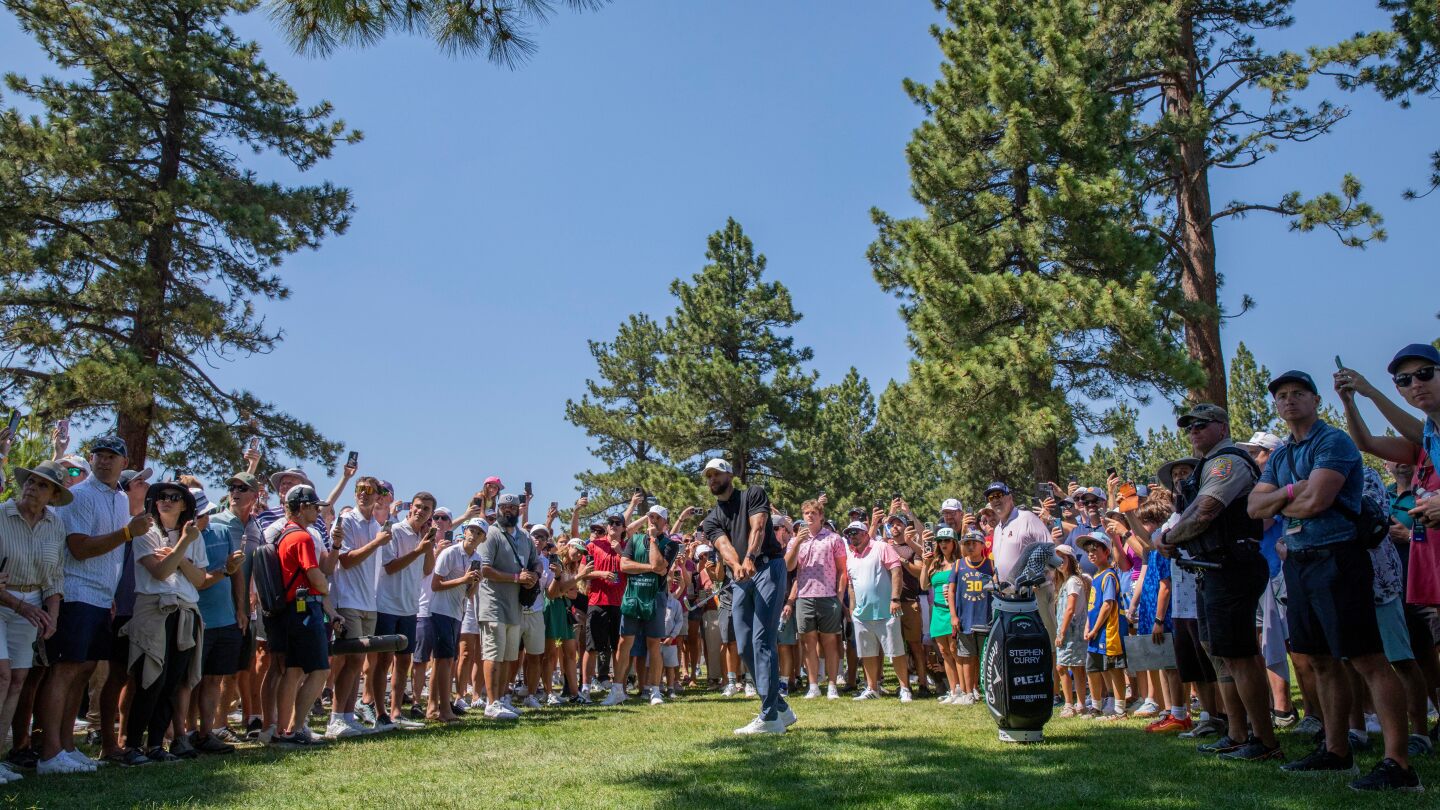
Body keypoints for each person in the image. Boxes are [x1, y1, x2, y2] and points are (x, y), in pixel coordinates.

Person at [1249, 370, 1418, 790]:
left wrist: (1288, 500)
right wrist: (1291, 494)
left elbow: (1319, 499)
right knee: (1319, 660)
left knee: (1366, 660)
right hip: (1299, 562)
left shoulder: (1333, 442)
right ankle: (1336, 750)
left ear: (1315, 400)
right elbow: (1255, 508)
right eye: (1282, 396)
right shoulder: (1285, 454)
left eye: (1298, 394)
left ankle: (1398, 763)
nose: (1289, 401)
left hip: (1338, 558)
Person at [1145, 404, 1280, 762]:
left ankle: (1263, 739)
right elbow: (1191, 512)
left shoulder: (1227, 462)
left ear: (1222, 427)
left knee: (1240, 656)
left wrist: (1170, 539)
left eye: (1201, 425)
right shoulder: (1207, 467)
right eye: (1189, 427)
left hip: (1231, 566)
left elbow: (1205, 510)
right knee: (1220, 654)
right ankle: (1237, 733)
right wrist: (1173, 534)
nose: (1193, 432)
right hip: (1211, 568)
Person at [39, 436, 150, 774]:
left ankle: (67, 747)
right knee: (65, 669)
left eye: (111, 456)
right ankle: (49, 753)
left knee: (85, 670)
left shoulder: (119, 498)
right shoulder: (81, 496)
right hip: (75, 592)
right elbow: (79, 548)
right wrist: (127, 534)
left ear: (123, 461)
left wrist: (113, 594)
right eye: (98, 456)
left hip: (102, 597)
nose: (104, 461)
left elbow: (112, 556)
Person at [121, 482, 223, 762]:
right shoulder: (145, 529)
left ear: (184, 505)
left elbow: (200, 579)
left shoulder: (194, 536)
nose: (166, 501)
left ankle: (155, 745)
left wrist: (179, 556)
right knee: (150, 680)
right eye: (161, 497)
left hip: (186, 610)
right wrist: (183, 547)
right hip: (153, 609)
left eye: (174, 497)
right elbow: (160, 571)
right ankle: (131, 746)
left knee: (173, 682)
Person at [698, 459, 795, 735]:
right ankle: (780, 708)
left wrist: (750, 556)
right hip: (741, 576)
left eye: (716, 474)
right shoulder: (711, 518)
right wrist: (737, 565)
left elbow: (759, 527)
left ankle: (769, 717)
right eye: (708, 476)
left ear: (729, 474)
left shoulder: (753, 493)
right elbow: (723, 544)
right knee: (744, 645)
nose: (712, 479)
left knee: (762, 639)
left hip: (768, 566)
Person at [0, 461, 67, 784]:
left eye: (42, 485)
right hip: (3, 603)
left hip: (34, 604)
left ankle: (0, 756)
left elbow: (55, 576)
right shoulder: (1, 515)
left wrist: (52, 614)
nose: (32, 487)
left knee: (17, 679)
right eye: (31, 481)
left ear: (53, 495)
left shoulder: (54, 525)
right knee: (2, 675)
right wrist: (19, 606)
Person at [272, 485, 338, 746]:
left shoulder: (286, 534)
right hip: (305, 610)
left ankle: (284, 727)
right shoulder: (301, 537)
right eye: (313, 507)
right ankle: (297, 727)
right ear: (301, 508)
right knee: (320, 670)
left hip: (294, 610)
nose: (317, 512)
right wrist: (324, 588)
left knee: (294, 670)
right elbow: (316, 577)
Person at [328, 476, 389, 738]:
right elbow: (347, 560)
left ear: (378, 496)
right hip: (349, 599)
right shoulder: (348, 520)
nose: (363, 494)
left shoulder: (375, 524)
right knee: (349, 661)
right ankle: (335, 718)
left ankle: (348, 716)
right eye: (359, 490)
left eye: (369, 491)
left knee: (359, 662)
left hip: (368, 601)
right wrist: (376, 542)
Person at [605, 504, 681, 706]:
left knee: (653, 645)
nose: (652, 520)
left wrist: (654, 540)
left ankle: (655, 690)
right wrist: (650, 568)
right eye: (650, 516)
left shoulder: (670, 544)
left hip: (655, 598)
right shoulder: (634, 539)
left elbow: (660, 566)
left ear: (665, 522)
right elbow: (624, 565)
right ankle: (617, 689)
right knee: (624, 643)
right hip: (632, 597)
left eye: (657, 517)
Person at [373, 492, 437, 730]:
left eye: (426, 509)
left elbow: (428, 569)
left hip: (410, 607)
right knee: (383, 661)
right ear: (410, 508)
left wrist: (428, 546)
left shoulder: (422, 538)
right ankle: (380, 713)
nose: (421, 511)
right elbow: (390, 567)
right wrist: (419, 550)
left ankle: (396, 711)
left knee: (403, 662)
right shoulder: (396, 531)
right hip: (388, 605)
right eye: (418, 507)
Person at [192, 486, 249, 754]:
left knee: (214, 678)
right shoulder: (186, 538)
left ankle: (207, 732)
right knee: (190, 681)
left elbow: (236, 572)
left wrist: (241, 608)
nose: (203, 517)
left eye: (203, 512)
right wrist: (224, 570)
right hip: (196, 618)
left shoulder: (221, 531)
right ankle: (186, 733)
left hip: (225, 618)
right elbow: (201, 581)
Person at [475, 493, 539, 720]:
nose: (509, 510)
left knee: (507, 656)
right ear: (498, 509)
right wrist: (515, 577)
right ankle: (491, 703)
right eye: (504, 507)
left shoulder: (524, 537)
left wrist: (534, 575)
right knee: (493, 653)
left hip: (515, 606)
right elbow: (484, 569)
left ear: (519, 511)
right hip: (493, 603)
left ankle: (501, 699)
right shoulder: (491, 534)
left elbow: (536, 562)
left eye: (513, 507)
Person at [841, 519, 908, 702]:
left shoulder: (880, 547)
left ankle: (905, 688)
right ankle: (872, 688)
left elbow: (896, 571)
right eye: (849, 533)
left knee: (896, 651)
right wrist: (853, 610)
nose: (852, 536)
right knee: (867, 653)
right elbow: (852, 586)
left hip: (887, 610)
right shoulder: (851, 556)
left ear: (865, 533)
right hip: (862, 614)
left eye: (855, 532)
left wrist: (895, 599)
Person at [984, 482, 1055, 638]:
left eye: (999, 495)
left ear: (1010, 497)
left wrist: (1035, 575)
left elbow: (1049, 549)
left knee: (1045, 643)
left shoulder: (1027, 518)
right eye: (991, 497)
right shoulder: (997, 529)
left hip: (1035, 593)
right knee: (1015, 645)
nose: (995, 500)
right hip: (1008, 598)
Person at [791, 499, 847, 700]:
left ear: (821, 516)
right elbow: (789, 567)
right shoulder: (795, 540)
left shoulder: (834, 539)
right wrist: (797, 541)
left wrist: (839, 597)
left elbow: (842, 570)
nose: (810, 516)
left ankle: (832, 684)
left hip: (828, 596)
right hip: (804, 596)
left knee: (830, 642)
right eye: (806, 513)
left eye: (814, 512)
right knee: (808, 643)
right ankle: (813, 685)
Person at [1079, 532, 1126, 721]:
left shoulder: (1109, 575)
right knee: (1092, 668)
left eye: (1095, 549)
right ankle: (1096, 706)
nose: (1091, 553)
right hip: (1095, 632)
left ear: (1106, 551)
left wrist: (1096, 628)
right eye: (1088, 550)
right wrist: (1088, 627)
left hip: (1109, 632)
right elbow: (1093, 606)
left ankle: (1120, 709)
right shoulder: (1096, 575)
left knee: (1114, 669)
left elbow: (1107, 604)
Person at [947, 528, 994, 704]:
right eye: (967, 543)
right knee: (966, 657)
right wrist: (953, 615)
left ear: (982, 545)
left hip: (985, 618)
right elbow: (951, 591)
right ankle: (968, 692)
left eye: (974, 543)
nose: (971, 546)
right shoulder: (959, 564)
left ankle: (987, 691)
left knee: (986, 657)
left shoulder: (990, 565)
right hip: (964, 618)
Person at [920, 528, 960, 703]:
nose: (943, 544)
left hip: (953, 611)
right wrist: (925, 564)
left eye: (947, 540)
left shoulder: (959, 563)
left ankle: (963, 688)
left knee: (955, 650)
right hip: (937, 611)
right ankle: (953, 691)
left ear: (954, 542)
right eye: (940, 541)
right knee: (944, 652)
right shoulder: (934, 564)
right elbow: (923, 585)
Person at [1051, 545, 1086, 718]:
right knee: (1076, 667)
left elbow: (1070, 609)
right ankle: (1080, 704)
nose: (1060, 562)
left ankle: (1069, 704)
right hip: (1069, 630)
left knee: (1062, 667)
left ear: (1071, 560)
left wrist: (1061, 633)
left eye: (1063, 558)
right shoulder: (1065, 582)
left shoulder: (1073, 581)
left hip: (1071, 631)